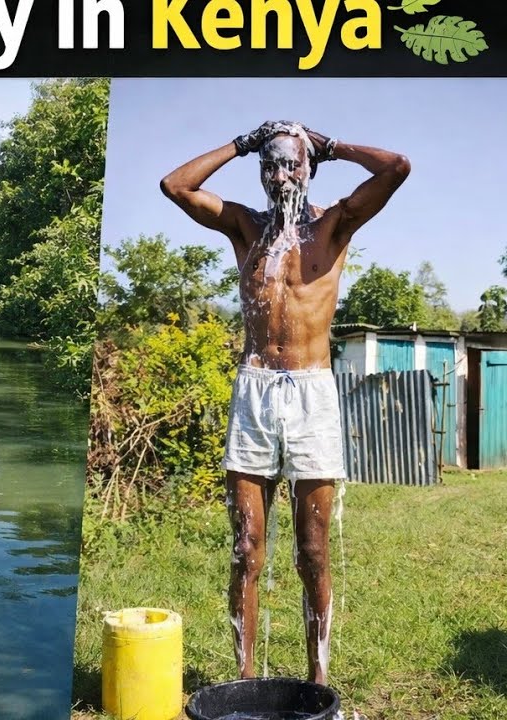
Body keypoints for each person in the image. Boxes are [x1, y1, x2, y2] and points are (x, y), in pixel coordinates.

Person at [159, 121, 410, 684]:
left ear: (309, 169)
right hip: (254, 388)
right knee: (247, 548)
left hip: (312, 394)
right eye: (271, 164)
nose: (281, 174)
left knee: (312, 551)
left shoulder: (334, 225)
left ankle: (317, 680)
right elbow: (175, 185)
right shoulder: (246, 227)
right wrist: (242, 143)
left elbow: (396, 167)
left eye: (292, 163)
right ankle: (245, 680)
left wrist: (330, 144)